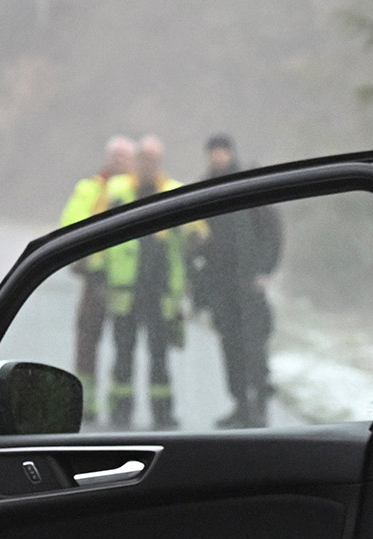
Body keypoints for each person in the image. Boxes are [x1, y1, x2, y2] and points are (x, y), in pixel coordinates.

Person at [191, 133, 283, 427]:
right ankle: (240, 404)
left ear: (230, 152)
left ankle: (259, 404)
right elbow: (195, 238)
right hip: (220, 284)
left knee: (253, 344)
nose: (217, 157)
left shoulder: (249, 185)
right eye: (213, 152)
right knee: (229, 346)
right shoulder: (203, 189)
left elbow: (273, 232)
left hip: (248, 282)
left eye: (222, 151)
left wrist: (265, 271)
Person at [101, 135, 186, 428]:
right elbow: (97, 232)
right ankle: (120, 411)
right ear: (136, 161)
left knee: (160, 355)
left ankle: (163, 414)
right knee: (123, 352)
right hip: (127, 288)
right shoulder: (118, 190)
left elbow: (195, 231)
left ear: (160, 162)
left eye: (154, 159)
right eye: (144, 159)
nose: (148, 164)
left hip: (160, 290)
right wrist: (98, 271)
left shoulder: (174, 192)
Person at [59, 135, 134, 418]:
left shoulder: (138, 189)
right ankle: (86, 403)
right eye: (115, 156)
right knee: (87, 340)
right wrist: (76, 259)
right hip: (94, 279)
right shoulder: (90, 188)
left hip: (128, 282)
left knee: (125, 342)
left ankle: (120, 404)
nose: (119, 161)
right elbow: (70, 223)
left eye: (125, 157)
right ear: (107, 158)